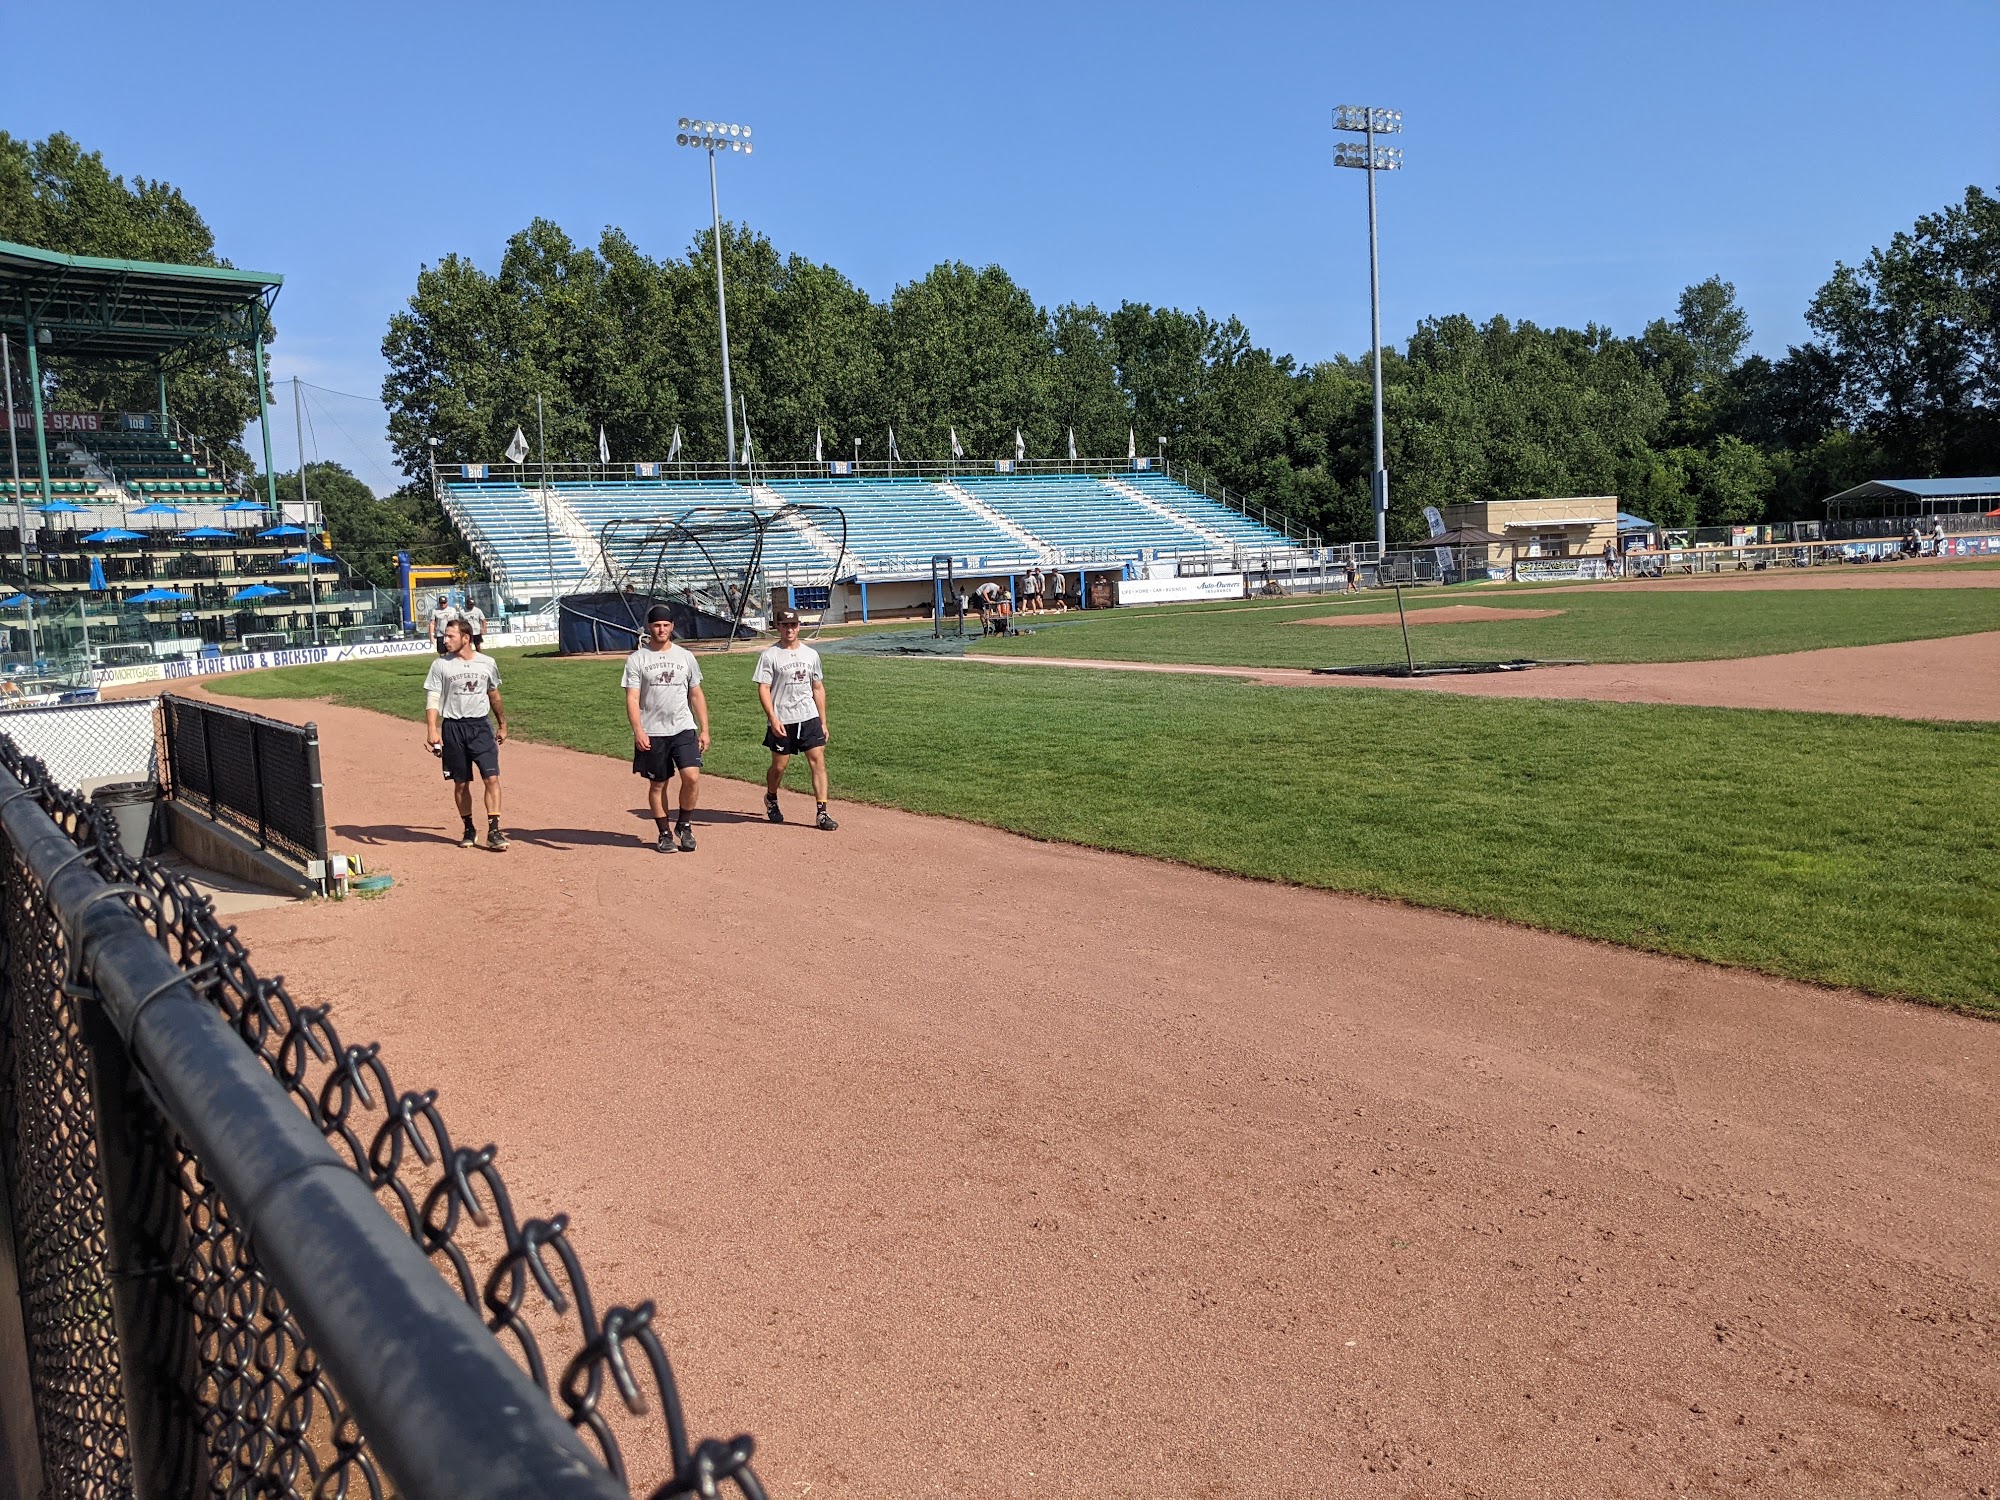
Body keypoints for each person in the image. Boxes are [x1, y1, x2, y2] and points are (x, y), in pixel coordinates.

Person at [623, 603, 710, 853]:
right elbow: (632, 698)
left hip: (683, 727)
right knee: (658, 784)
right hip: (653, 731)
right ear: (649, 627)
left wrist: (704, 729)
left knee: (691, 777)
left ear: (672, 627)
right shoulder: (637, 659)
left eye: (665, 625)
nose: (661, 629)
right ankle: (664, 833)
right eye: (656, 625)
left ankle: (684, 825)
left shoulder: (685, 657)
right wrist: (638, 730)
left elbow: (696, 694)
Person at [423, 619, 507, 851]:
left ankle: (494, 831)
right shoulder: (441, 665)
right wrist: (432, 729)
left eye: (450, 636)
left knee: (491, 778)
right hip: (453, 728)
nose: (445, 640)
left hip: (480, 727)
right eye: (445, 635)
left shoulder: (487, 663)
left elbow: (494, 695)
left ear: (466, 638)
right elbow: (433, 698)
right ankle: (469, 828)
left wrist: (502, 725)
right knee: (461, 783)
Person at [753, 609, 836, 831]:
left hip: (808, 716)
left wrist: (823, 721)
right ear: (778, 627)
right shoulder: (770, 655)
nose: (789, 630)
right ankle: (771, 797)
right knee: (779, 766)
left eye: (793, 625)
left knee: (817, 761)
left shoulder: (811, 655)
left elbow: (817, 688)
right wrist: (772, 718)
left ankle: (822, 812)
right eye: (785, 625)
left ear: (799, 627)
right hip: (782, 719)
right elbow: (763, 688)